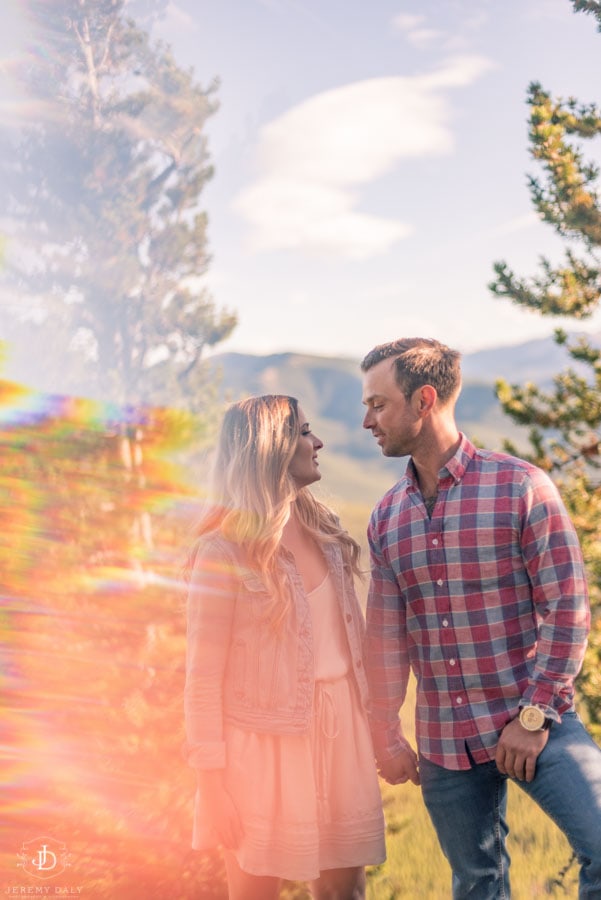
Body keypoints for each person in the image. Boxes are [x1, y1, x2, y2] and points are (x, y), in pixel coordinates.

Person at [360, 337, 601, 899]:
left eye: (378, 404)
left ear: (424, 400)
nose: (367, 420)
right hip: (445, 743)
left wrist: (534, 717)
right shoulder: (386, 518)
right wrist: (384, 731)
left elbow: (567, 607)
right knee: (477, 884)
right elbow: (386, 639)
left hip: (537, 719)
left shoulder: (520, 487)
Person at [184, 394, 386, 900]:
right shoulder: (223, 551)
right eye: (304, 432)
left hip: (341, 732)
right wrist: (211, 786)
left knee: (345, 893)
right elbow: (202, 678)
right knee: (255, 892)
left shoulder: (327, 533)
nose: (318, 442)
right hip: (260, 746)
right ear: (271, 448)